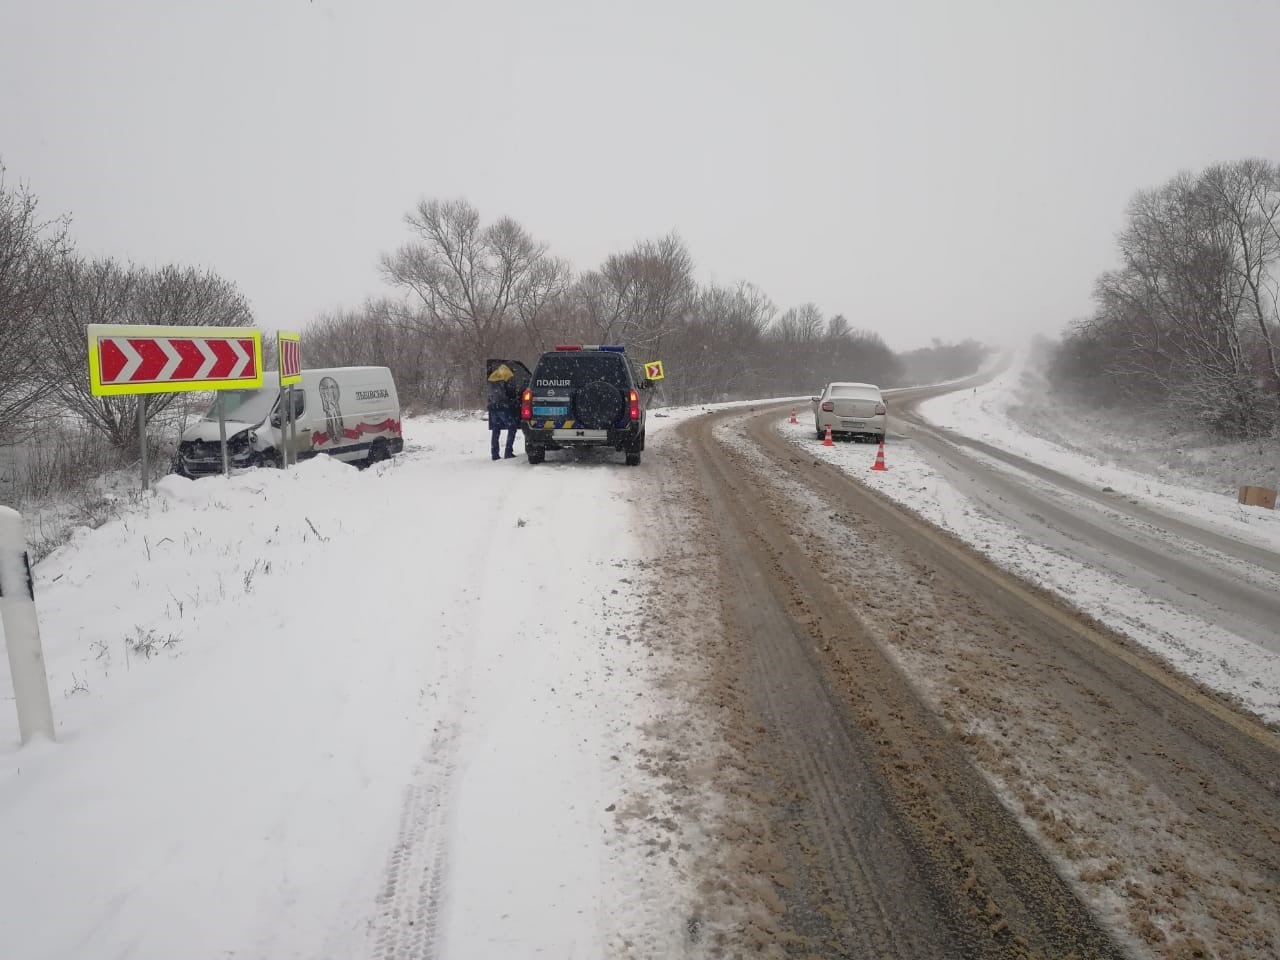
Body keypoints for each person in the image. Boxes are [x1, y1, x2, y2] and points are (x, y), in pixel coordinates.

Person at [487, 363, 521, 460]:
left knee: (496, 430)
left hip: (493, 407)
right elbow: (511, 393)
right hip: (503, 407)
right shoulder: (506, 379)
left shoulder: (492, 379)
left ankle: (494, 454)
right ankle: (508, 451)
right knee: (512, 427)